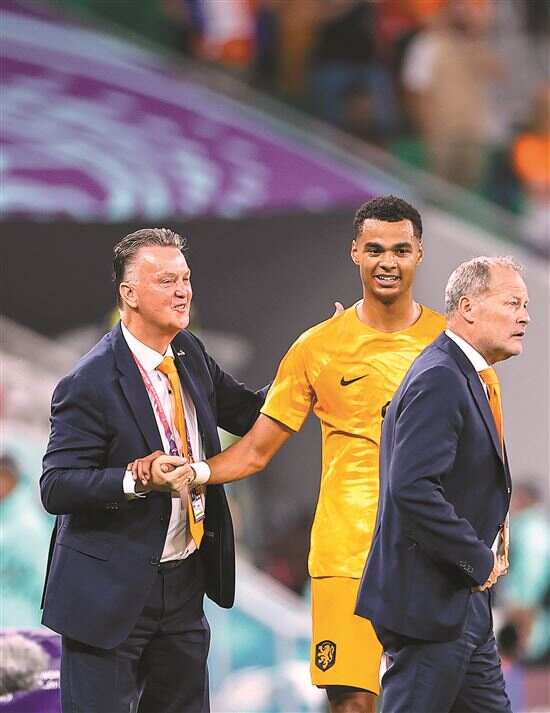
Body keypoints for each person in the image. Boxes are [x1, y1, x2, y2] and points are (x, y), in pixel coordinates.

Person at [134, 196, 445, 713]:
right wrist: (197, 471)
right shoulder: (317, 347)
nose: (387, 262)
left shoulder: (450, 345)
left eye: (400, 249)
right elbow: (257, 449)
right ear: (355, 252)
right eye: (374, 249)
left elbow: (483, 453)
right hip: (345, 556)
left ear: (419, 254)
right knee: (352, 703)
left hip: (429, 554)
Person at [40, 228, 267, 713]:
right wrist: (136, 479)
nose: (183, 292)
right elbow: (56, 487)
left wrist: (313, 361)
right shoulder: (88, 382)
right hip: (107, 594)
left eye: (185, 279)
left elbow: (251, 413)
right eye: (166, 281)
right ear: (129, 294)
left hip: (182, 585)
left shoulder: (189, 352)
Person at [355, 256, 530, 712]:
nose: (524, 317)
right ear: (468, 307)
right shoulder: (440, 377)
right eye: (512, 303)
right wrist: (477, 558)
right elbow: (412, 488)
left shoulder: (464, 376)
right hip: (429, 608)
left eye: (526, 305)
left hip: (462, 602)